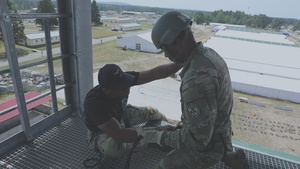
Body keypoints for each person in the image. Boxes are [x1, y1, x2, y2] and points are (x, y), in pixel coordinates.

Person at [136, 11, 249, 169]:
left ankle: (223, 155)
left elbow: (197, 141)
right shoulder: (208, 55)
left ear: (176, 41)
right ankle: (229, 155)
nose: (166, 55)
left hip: (208, 146)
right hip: (220, 134)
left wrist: (157, 136)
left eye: (164, 48)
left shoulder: (197, 81)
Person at [84, 63, 182, 158]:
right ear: (107, 90)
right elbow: (120, 134)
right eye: (121, 87)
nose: (127, 87)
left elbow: (156, 73)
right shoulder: (94, 103)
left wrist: (182, 62)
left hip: (121, 115)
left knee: (152, 112)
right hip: (102, 131)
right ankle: (154, 140)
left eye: (125, 82)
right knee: (113, 147)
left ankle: (172, 128)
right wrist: (156, 132)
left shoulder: (122, 79)